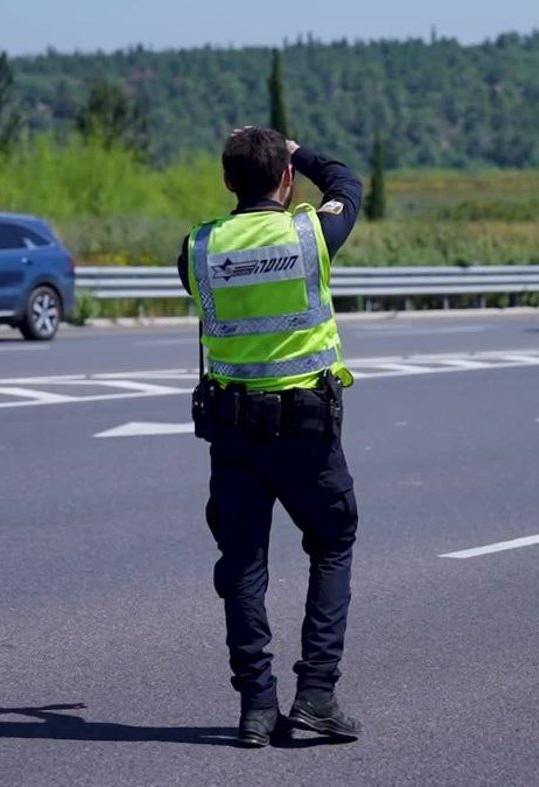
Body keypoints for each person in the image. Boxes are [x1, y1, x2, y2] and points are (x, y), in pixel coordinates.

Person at [176, 126, 364, 748]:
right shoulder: (310, 234)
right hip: (307, 432)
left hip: (233, 435)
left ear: (228, 182)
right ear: (285, 179)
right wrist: (299, 150)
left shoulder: (199, 248)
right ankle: (316, 695)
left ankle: (258, 706)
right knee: (332, 545)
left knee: (243, 567)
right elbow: (347, 185)